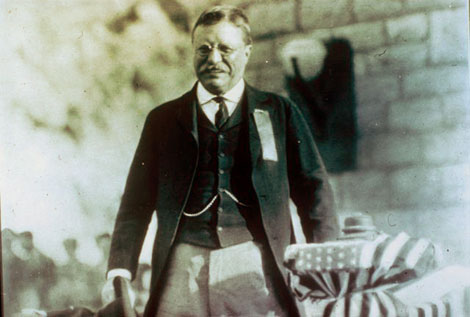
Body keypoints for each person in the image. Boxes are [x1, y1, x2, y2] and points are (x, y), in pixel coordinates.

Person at [102, 5, 338, 316]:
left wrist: (325, 262)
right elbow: (135, 202)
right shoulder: (163, 120)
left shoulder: (280, 113)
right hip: (182, 270)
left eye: (226, 48)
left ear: (247, 51)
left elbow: (314, 189)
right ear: (193, 51)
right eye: (204, 49)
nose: (214, 59)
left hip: (258, 268)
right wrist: (120, 269)